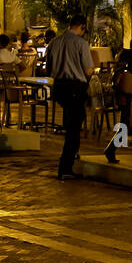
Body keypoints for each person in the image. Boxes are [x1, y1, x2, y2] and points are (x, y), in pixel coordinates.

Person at [46, 16, 94, 180]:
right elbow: (88, 70)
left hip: (59, 86)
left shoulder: (55, 42)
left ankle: (69, 160)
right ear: (81, 26)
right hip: (75, 86)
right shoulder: (81, 43)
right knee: (75, 127)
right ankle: (66, 165)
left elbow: (49, 67)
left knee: (71, 123)